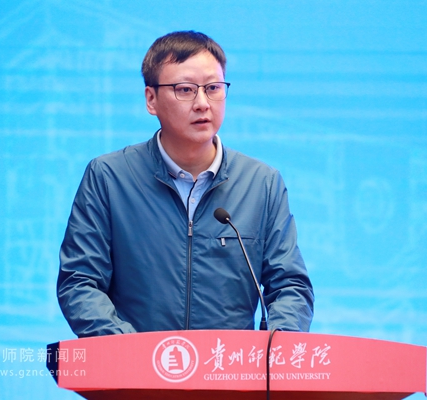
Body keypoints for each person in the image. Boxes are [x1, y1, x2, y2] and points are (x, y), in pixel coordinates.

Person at [57, 31, 314, 337]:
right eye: (185, 90)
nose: (203, 103)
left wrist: (276, 347)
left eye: (213, 88)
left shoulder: (261, 184)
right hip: (136, 364)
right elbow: (80, 282)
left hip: (228, 364)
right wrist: (129, 352)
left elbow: (290, 286)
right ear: (151, 99)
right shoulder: (109, 178)